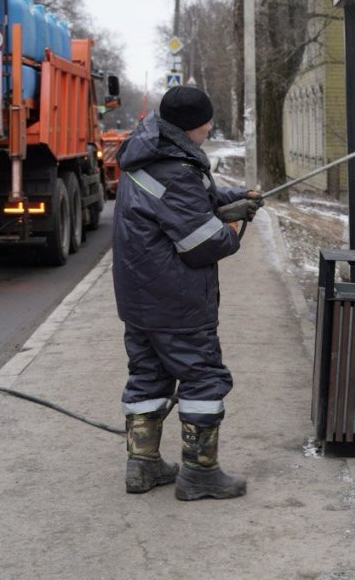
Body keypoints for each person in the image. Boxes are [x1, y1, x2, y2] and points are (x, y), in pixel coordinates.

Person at [112, 85, 261, 501]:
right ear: (191, 126)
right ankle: (199, 474)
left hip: (139, 297)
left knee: (148, 375)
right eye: (207, 121)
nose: (210, 127)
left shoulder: (150, 154)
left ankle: (142, 467)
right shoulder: (176, 169)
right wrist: (232, 226)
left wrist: (233, 198)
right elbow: (202, 243)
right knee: (203, 377)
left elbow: (190, 200)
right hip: (175, 300)